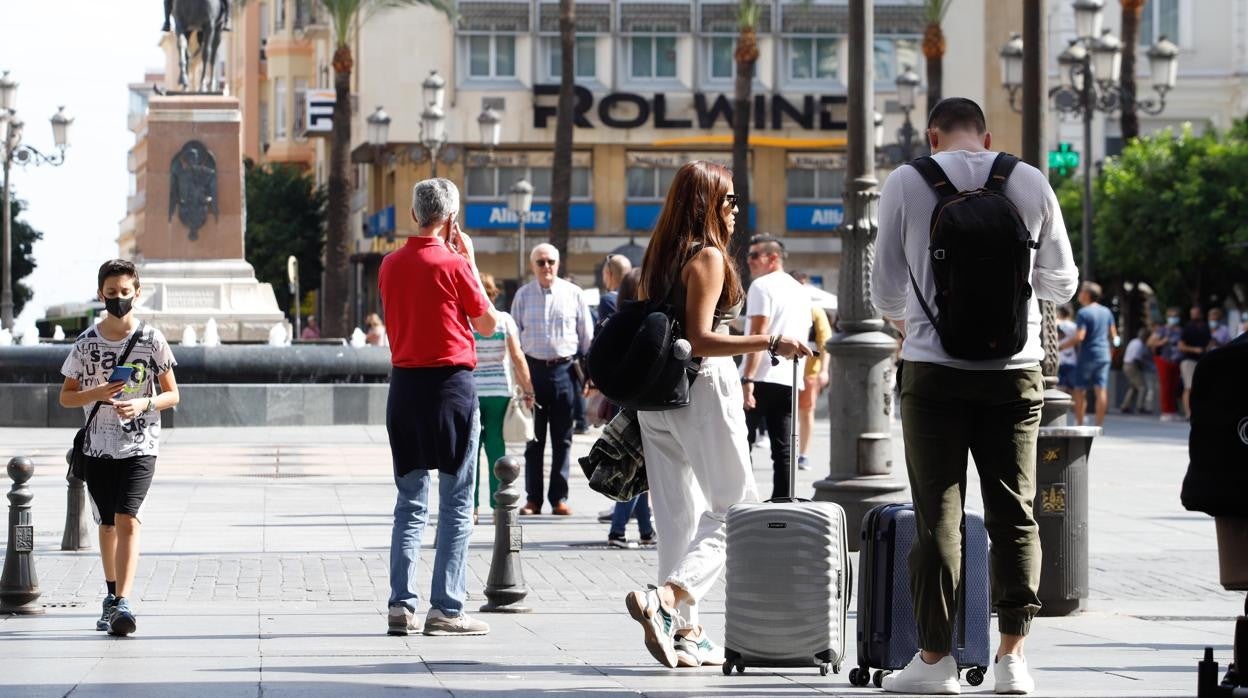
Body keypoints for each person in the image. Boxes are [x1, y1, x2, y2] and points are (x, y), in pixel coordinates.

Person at [871, 97, 1078, 695]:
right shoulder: (1028, 180)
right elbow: (1061, 282)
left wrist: (917, 320)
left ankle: (934, 660)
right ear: (986, 136)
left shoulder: (906, 182)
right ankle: (1011, 659)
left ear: (933, 134)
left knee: (938, 513)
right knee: (1016, 510)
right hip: (1014, 373)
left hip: (933, 372)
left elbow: (885, 287)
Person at [624, 160, 812, 669]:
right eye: (728, 201)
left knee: (677, 517)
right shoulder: (706, 257)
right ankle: (668, 598)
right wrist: (772, 341)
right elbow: (703, 339)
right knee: (736, 507)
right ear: (707, 204)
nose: (735, 211)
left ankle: (687, 633)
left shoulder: (659, 254)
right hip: (703, 388)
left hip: (656, 399)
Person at [379, 178, 497, 638]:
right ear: (451, 218)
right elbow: (486, 324)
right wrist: (468, 257)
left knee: (409, 502)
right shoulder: (454, 264)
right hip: (451, 389)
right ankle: (446, 608)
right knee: (455, 503)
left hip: (404, 387)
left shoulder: (389, 265)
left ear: (414, 215)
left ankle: (400, 605)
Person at [59, 259, 181, 637]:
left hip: (141, 444)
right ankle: (111, 597)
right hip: (98, 447)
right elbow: (66, 397)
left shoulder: (151, 340)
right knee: (108, 524)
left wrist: (144, 403)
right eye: (111, 294)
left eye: (125, 293)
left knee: (128, 517)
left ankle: (124, 601)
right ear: (101, 294)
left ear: (137, 293)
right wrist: (97, 393)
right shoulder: (85, 343)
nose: (118, 300)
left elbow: (173, 394)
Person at [511, 243, 594, 516]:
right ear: (532, 266)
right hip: (533, 373)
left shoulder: (574, 294)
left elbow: (587, 338)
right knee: (533, 440)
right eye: (541, 262)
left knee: (563, 439)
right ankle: (533, 499)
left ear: (558, 264)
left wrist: (588, 375)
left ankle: (558, 497)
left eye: (551, 262)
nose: (547, 267)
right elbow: (513, 339)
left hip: (564, 372)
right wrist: (520, 379)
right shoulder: (522, 296)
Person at [740, 234, 813, 499]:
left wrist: (747, 379)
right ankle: (782, 504)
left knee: (740, 444)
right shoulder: (800, 291)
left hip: (760, 376)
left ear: (773, 258)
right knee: (783, 449)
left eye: (754, 255)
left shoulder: (761, 286)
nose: (749, 261)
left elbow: (760, 333)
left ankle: (744, 502)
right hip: (789, 377)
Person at [471, 274, 534, 522]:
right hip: (499, 392)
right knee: (497, 447)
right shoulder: (503, 320)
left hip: (472, 392)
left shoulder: (467, 320)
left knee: (472, 449)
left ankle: (472, 508)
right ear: (494, 293)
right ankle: (499, 506)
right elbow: (517, 358)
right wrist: (528, 389)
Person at [603, 267, 657, 549]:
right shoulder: (645, 323)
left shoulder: (617, 321)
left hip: (622, 402)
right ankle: (618, 530)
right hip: (640, 403)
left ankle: (646, 530)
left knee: (637, 469)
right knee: (634, 471)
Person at [1061, 282, 1117, 427]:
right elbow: (1114, 336)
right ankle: (1099, 425)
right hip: (1104, 354)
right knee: (1101, 389)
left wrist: (1060, 346)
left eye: (1081, 292)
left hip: (1087, 354)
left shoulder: (1083, 313)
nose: (1079, 294)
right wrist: (1112, 350)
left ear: (1086, 295)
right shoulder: (1107, 312)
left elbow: (1080, 337)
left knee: (1079, 389)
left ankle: (1080, 423)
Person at [797, 305, 832, 470]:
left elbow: (825, 343)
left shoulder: (815, 311)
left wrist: (824, 370)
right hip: (784, 370)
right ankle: (788, 452)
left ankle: (803, 454)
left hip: (809, 372)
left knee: (806, 412)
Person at [1148, 307, 1184, 421]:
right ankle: (1165, 411)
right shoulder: (1162, 330)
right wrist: (1162, 342)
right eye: (1172, 316)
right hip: (1164, 360)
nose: (1174, 318)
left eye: (1176, 316)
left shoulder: (1181, 331)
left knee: (1174, 386)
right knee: (1165, 386)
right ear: (1167, 318)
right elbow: (1150, 342)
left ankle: (1173, 411)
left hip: (1177, 361)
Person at [1178, 305, 1212, 419]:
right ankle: (1188, 413)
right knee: (1189, 386)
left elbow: (1209, 341)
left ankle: (1199, 410)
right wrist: (1194, 349)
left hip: (1202, 360)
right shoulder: (1188, 328)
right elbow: (1181, 346)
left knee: (1201, 387)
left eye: (1196, 313)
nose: (1195, 316)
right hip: (1189, 360)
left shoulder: (1205, 327)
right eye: (1193, 314)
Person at [1120, 327, 1155, 414]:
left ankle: (1125, 406)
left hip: (1126, 365)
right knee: (1142, 387)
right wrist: (1144, 366)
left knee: (1134, 387)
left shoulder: (1134, 341)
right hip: (1132, 366)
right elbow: (1136, 359)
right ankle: (1140, 407)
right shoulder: (1139, 344)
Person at [1055, 305, 1078, 394]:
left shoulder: (1055, 323)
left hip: (1057, 360)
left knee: (1059, 388)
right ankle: (1070, 408)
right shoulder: (1074, 326)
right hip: (1072, 361)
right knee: (1072, 388)